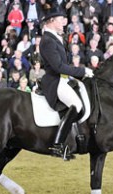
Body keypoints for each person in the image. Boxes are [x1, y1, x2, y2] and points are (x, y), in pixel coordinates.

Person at [40, 6, 93, 159]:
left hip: (64, 80)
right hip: (56, 81)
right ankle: (57, 144)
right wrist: (82, 71)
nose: (64, 22)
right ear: (51, 21)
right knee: (76, 105)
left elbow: (65, 61)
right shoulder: (48, 40)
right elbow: (58, 67)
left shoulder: (55, 37)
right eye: (60, 20)